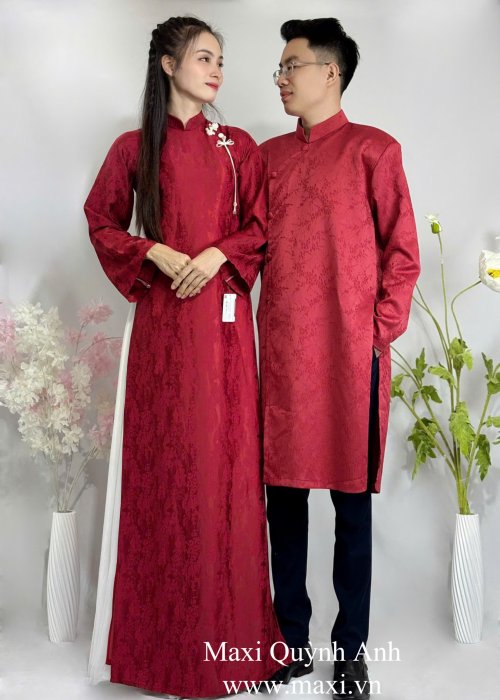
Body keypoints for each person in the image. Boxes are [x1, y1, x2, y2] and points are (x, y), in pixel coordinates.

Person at [84, 16, 286, 697]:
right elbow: (102, 221)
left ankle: (229, 645)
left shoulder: (238, 148)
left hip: (224, 333)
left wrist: (217, 254)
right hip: (163, 331)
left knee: (223, 472)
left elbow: (260, 227)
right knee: (166, 472)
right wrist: (155, 252)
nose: (217, 69)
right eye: (204, 57)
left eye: (220, 59)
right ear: (168, 65)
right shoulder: (132, 148)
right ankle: (161, 653)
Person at [257, 18, 421, 700]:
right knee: (284, 503)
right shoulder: (267, 157)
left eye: (291, 65)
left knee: (352, 510)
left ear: (331, 72)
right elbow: (247, 246)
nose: (281, 78)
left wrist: (375, 333)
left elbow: (403, 253)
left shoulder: (374, 150)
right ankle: (291, 643)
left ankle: (351, 651)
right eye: (279, 68)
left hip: (353, 358)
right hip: (285, 358)